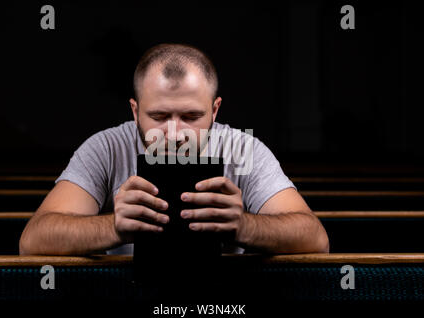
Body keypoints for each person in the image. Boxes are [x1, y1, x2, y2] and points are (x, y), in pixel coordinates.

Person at [19, 43, 329, 256]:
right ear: (134, 111)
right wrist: (113, 227)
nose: (175, 133)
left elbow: (315, 239)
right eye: (159, 117)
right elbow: (33, 241)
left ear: (215, 110)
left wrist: (245, 225)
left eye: (192, 117)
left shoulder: (243, 148)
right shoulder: (105, 147)